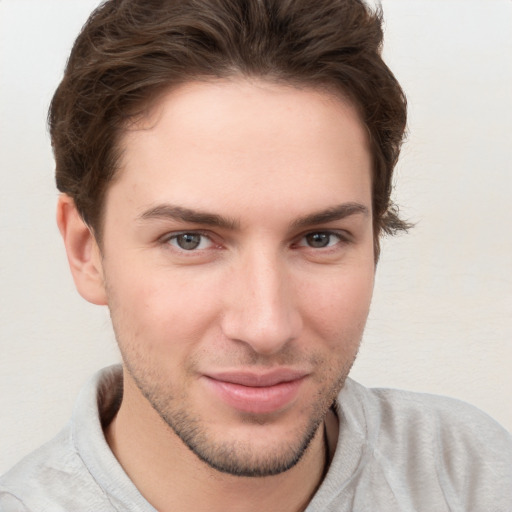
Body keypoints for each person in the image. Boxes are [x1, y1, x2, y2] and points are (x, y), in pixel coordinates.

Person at [1, 0, 511, 510]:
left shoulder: (471, 474)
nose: (266, 327)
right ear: (86, 252)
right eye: (190, 240)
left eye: (319, 238)